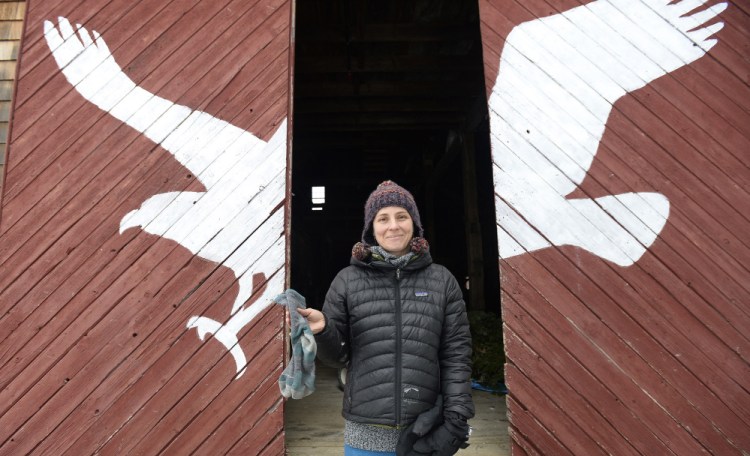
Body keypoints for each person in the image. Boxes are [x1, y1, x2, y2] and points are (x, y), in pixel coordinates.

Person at [297, 180, 475, 456]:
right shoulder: (347, 280)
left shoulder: (442, 280)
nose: (393, 225)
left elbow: (456, 355)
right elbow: (337, 358)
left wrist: (455, 421)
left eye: (402, 216)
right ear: (371, 228)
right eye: (383, 218)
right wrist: (322, 330)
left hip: (425, 428)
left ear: (414, 224)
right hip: (365, 434)